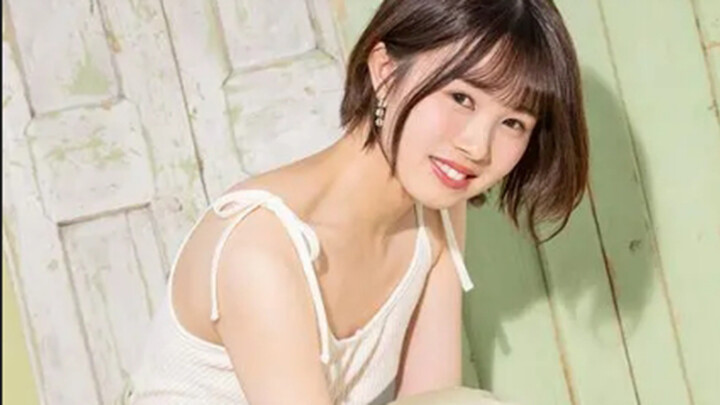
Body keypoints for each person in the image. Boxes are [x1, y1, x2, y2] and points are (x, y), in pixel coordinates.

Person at [122, 0, 588, 403]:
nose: (477, 146)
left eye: (513, 123)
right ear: (385, 70)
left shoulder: (437, 207)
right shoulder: (262, 250)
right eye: (461, 98)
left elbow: (433, 400)